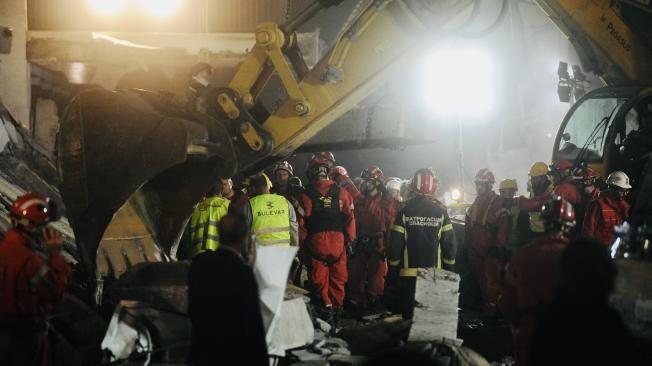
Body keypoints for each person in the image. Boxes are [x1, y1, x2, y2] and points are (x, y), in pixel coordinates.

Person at [531, 238, 638, 366]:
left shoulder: (549, 320)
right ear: (586, 273)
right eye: (607, 267)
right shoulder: (605, 324)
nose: (613, 273)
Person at [0, 192, 71, 366]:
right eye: (43, 226)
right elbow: (54, 294)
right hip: (23, 339)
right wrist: (56, 257)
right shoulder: (31, 262)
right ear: (33, 226)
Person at [501, 197, 573, 366]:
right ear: (570, 225)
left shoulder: (521, 255)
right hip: (566, 330)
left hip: (530, 328)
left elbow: (507, 299)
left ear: (543, 222)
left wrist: (517, 324)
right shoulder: (578, 256)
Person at [188, 214, 268, 366]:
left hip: (201, 353)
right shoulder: (243, 273)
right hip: (232, 355)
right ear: (244, 238)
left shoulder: (199, 264)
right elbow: (252, 325)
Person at [387, 168, 456, 319]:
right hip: (433, 276)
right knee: (427, 321)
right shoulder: (441, 212)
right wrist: (449, 269)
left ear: (413, 186)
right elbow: (449, 247)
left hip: (408, 277)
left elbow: (394, 248)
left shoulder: (404, 211)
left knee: (407, 321)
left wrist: (392, 272)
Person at [298, 156, 356, 321]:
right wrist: (350, 240)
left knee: (318, 280)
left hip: (316, 246)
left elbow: (301, 226)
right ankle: (337, 310)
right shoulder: (342, 193)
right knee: (339, 279)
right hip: (338, 245)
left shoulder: (305, 196)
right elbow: (350, 219)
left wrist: (302, 246)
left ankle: (325, 308)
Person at [347, 165, 398, 315]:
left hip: (378, 243)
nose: (364, 184)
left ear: (377, 183)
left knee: (376, 277)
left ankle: (373, 302)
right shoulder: (361, 200)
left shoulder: (386, 201)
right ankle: (356, 302)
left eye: (368, 181)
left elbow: (383, 219)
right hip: (361, 241)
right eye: (364, 180)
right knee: (355, 273)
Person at [464, 168, 508, 316]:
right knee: (481, 283)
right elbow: (469, 226)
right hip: (477, 251)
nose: (478, 187)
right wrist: (467, 246)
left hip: (490, 251)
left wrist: (497, 246)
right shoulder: (476, 203)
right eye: (477, 184)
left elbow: (504, 224)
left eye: (481, 184)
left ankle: (494, 317)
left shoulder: (497, 202)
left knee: (491, 285)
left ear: (489, 185)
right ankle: (486, 314)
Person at [243, 174, 298, 247]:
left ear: (253, 188)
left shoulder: (249, 205)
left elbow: (243, 233)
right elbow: (294, 229)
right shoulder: (285, 202)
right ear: (267, 186)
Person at [582, 170, 631, 247]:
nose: (625, 193)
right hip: (599, 252)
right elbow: (588, 232)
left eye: (626, 190)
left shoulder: (623, 206)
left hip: (614, 251)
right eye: (622, 190)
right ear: (612, 188)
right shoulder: (597, 205)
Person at [189, 180, 231, 253]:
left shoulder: (196, 207)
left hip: (197, 253)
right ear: (221, 192)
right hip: (219, 252)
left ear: (206, 192)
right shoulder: (227, 205)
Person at [517, 162, 553, 244]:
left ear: (543, 178)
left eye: (534, 178)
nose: (532, 180)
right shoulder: (532, 190)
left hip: (546, 234)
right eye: (532, 178)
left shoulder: (552, 190)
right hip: (531, 233)